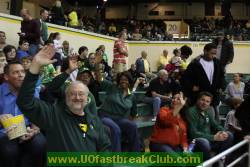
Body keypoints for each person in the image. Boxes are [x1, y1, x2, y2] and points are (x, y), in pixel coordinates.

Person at [16, 45, 110, 152]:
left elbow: (105, 148)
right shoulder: (54, 116)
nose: (77, 97)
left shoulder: (95, 121)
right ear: (66, 96)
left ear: (87, 97)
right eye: (72, 94)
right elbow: (25, 102)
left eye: (81, 94)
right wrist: (35, 67)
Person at [0, 61, 46, 167]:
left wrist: (34, 130)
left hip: (27, 128)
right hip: (5, 131)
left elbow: (37, 116)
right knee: (9, 151)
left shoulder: (31, 91)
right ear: (6, 77)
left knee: (40, 144)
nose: (21, 75)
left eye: (22, 72)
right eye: (16, 72)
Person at [186, 92, 233, 161]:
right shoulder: (191, 112)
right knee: (204, 142)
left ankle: (219, 160)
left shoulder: (207, 111)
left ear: (209, 103)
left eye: (207, 101)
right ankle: (210, 163)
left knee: (229, 135)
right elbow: (193, 133)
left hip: (209, 140)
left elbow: (215, 125)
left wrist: (223, 131)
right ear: (198, 100)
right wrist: (213, 137)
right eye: (202, 100)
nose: (204, 103)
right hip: (194, 142)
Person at [181, 43, 224, 113]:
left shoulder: (217, 63)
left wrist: (221, 87)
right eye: (212, 53)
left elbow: (221, 76)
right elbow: (185, 78)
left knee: (212, 118)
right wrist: (191, 87)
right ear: (205, 51)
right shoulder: (194, 63)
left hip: (213, 96)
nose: (213, 55)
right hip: (197, 96)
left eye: (215, 53)